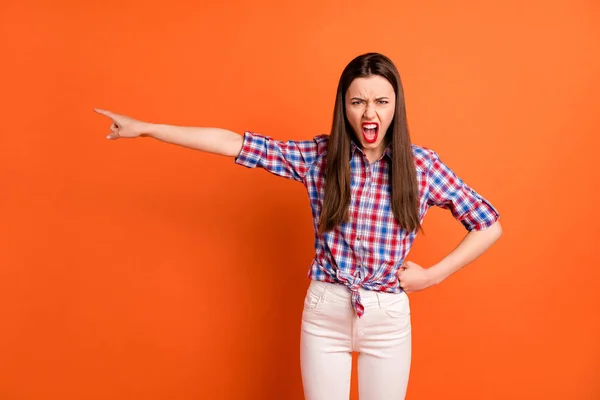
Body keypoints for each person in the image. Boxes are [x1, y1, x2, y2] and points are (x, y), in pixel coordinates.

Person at [95, 52, 502, 400]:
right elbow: (233, 144)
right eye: (358, 101)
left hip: (388, 317)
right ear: (344, 105)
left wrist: (431, 276)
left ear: (397, 105)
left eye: (381, 100)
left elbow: (488, 224)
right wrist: (147, 128)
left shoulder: (421, 166)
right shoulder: (319, 157)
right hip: (326, 312)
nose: (370, 112)